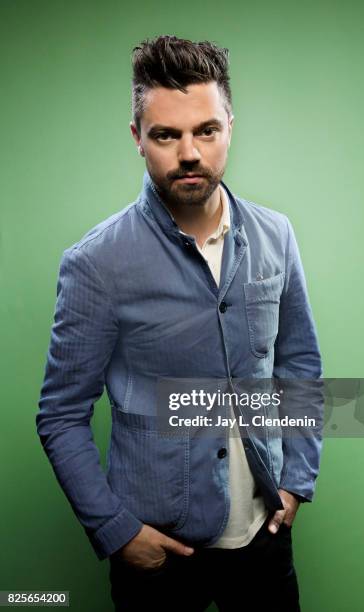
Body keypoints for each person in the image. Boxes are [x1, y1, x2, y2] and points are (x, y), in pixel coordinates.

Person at [36, 35, 323, 612]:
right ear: (139, 138)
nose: (189, 152)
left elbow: (298, 363)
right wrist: (116, 530)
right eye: (166, 134)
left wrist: (298, 478)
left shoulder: (276, 235)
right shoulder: (97, 263)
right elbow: (61, 414)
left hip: (265, 532)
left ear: (229, 128)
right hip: (160, 552)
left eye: (206, 130)